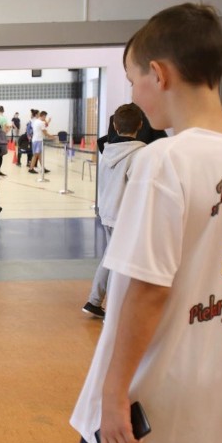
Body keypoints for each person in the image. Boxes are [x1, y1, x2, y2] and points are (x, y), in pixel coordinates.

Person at [68, 3, 222, 443]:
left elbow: (148, 289)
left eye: (133, 80)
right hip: (217, 401)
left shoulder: (164, 159)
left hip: (144, 395)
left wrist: (112, 392)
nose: (132, 93)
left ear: (160, 73)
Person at [81, 103, 146, 319]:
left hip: (108, 212)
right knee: (117, 260)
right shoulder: (140, 154)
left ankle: (96, 301)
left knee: (113, 257)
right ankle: (99, 301)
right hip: (124, 217)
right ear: (140, 125)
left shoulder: (107, 151)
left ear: (115, 127)